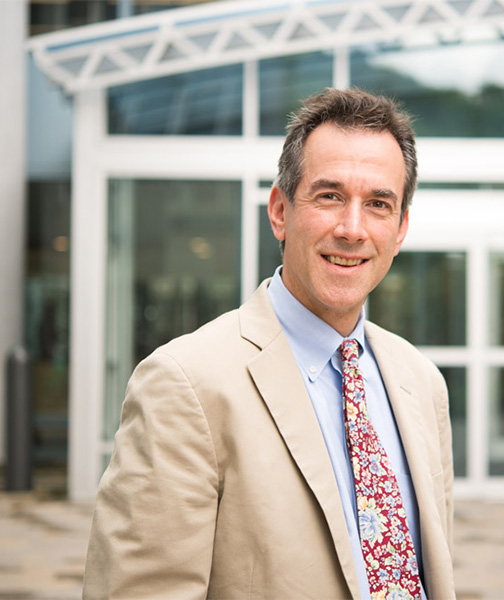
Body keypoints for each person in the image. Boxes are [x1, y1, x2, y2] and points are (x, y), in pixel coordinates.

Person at [83, 88, 455, 600]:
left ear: (400, 229)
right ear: (280, 211)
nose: (352, 229)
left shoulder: (421, 382)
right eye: (329, 196)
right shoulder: (185, 384)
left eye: (378, 204)